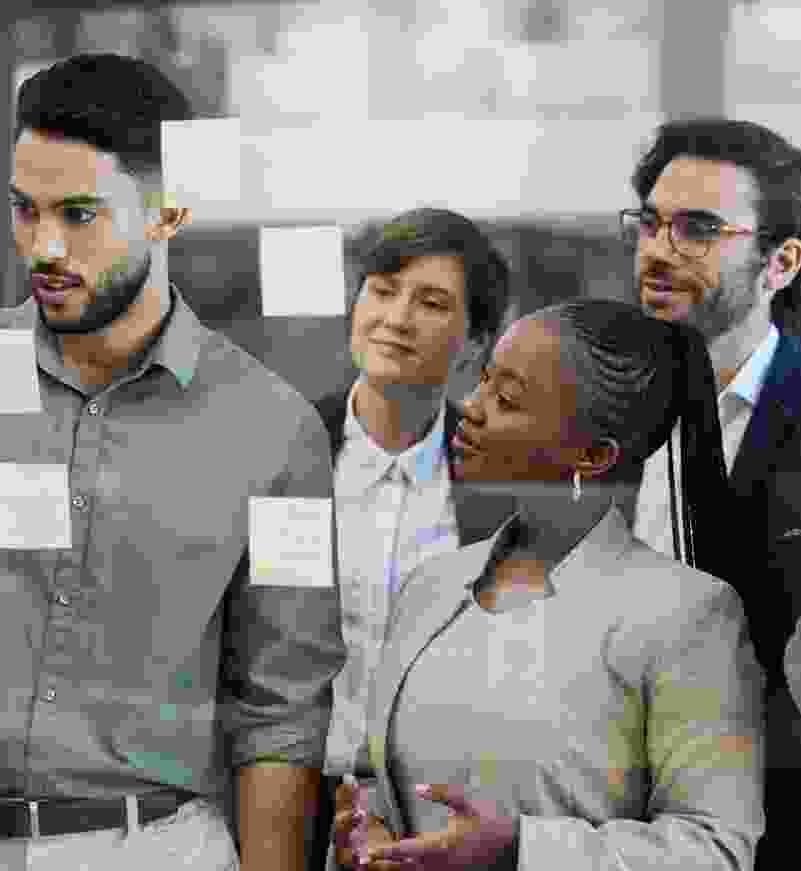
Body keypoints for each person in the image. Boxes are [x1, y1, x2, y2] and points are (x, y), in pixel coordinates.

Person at [0, 53, 346, 871]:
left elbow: (281, 708)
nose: (44, 246)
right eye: (24, 210)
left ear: (170, 213)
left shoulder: (275, 430)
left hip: (151, 850)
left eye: (80, 214)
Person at [333, 299, 764, 871]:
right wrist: (367, 831)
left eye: (508, 399)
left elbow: (715, 849)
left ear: (594, 454)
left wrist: (519, 847)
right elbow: (372, 781)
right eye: (484, 381)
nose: (472, 408)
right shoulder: (430, 588)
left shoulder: (687, 615)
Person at [311, 208, 516, 869]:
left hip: (444, 811)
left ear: (476, 342)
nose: (396, 318)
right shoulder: (283, 451)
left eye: (431, 303)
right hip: (293, 801)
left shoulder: (500, 481)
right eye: (381, 290)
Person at [626, 118, 801, 870]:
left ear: (780, 262)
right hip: (617, 819)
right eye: (650, 223)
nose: (660, 249)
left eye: (698, 229)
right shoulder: (603, 408)